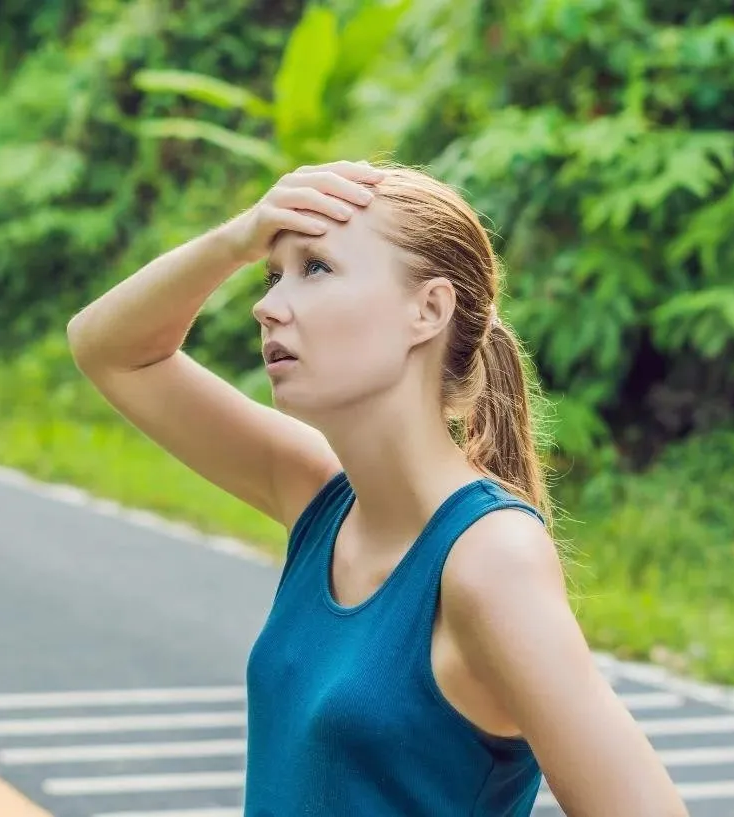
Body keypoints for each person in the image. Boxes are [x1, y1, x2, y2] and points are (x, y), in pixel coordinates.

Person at [66, 159, 688, 816]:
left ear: (428, 309)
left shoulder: (489, 559)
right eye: (274, 274)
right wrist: (240, 238)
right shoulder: (318, 495)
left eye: (317, 269)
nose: (267, 305)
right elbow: (107, 347)